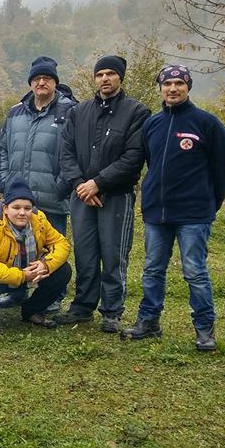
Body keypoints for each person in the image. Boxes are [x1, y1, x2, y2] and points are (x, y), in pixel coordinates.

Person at [121, 65, 225, 352]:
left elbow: (224, 169)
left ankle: (204, 330)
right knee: (152, 269)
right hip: (157, 213)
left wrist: (210, 204)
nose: (173, 88)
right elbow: (149, 163)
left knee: (195, 271)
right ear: (160, 88)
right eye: (167, 83)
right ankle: (149, 321)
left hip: (194, 214)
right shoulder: (152, 125)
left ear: (188, 87)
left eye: (178, 83)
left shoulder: (207, 123)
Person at [56, 55, 150, 332]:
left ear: (121, 77)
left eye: (110, 74)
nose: (105, 79)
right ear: (94, 79)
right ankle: (83, 307)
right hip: (81, 195)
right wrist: (80, 184)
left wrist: (98, 183)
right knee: (85, 254)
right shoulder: (79, 112)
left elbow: (134, 156)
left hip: (116, 195)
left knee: (113, 254)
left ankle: (111, 311)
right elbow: (66, 152)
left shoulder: (136, 112)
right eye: (100, 74)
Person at [0, 56, 77, 311]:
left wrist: (62, 184)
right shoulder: (15, 112)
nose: (42, 82)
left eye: (47, 78)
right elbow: (2, 149)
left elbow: (75, 151)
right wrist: (4, 182)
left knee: (52, 248)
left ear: (55, 82)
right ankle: (17, 290)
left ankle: (51, 296)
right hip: (18, 196)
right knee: (16, 246)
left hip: (51, 195)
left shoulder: (69, 112)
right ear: (31, 83)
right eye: (37, 79)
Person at [0, 177, 72, 328]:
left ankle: (32, 311)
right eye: (16, 207)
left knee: (63, 270)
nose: (22, 213)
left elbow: (62, 244)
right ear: (6, 209)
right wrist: (21, 275)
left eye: (27, 208)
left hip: (29, 272)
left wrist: (45, 265)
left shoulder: (39, 220)